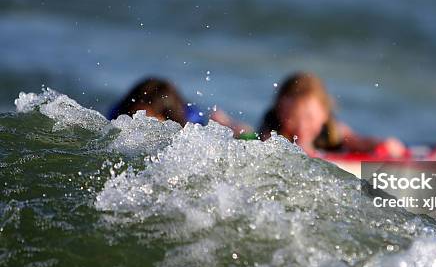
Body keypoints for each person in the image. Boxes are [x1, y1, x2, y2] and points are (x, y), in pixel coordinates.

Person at [258, 72, 406, 157]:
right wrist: (303, 146)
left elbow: (358, 141)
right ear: (279, 111)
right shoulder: (273, 132)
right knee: (243, 131)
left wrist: (382, 144)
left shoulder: (333, 130)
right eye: (293, 118)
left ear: (324, 114)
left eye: (309, 118)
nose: (302, 125)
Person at [108, 77, 251, 136]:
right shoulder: (117, 115)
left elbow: (250, 135)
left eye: (149, 120)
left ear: (168, 118)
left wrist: (234, 129)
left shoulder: (192, 126)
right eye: (135, 116)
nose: (138, 124)